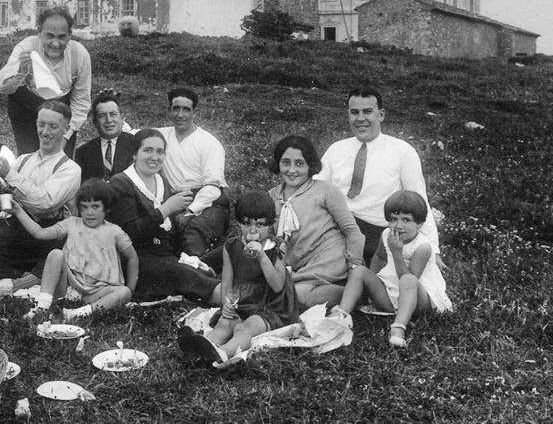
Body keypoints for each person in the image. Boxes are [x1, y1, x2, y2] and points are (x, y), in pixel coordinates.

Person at [318, 86, 439, 265]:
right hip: (339, 228)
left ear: (381, 115)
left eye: (367, 112)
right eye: (354, 112)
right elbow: (315, 190)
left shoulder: (402, 151)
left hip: (379, 234)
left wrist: (433, 250)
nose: (360, 119)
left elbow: (419, 200)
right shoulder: (336, 149)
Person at [179, 191, 298, 367]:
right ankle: (201, 348)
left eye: (260, 224)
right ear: (239, 222)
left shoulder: (276, 247)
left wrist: (262, 257)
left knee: (245, 328)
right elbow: (227, 282)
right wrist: (226, 305)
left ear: (271, 224)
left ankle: (222, 354)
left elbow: (278, 285)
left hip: (270, 305)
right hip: (242, 302)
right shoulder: (231, 246)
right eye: (247, 223)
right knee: (224, 324)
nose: (252, 230)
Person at [0, 100, 83, 294]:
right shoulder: (23, 160)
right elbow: (5, 198)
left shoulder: (70, 169)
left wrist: (8, 174)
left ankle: (21, 283)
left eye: (53, 126)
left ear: (66, 129)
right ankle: (18, 281)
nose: (45, 132)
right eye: (41, 124)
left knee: (55, 256)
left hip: (45, 236)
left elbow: (43, 203)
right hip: (16, 232)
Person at [107, 129, 219, 304]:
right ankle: (228, 301)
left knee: (212, 259)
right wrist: (165, 209)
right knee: (183, 273)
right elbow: (129, 232)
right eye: (148, 150)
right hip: (137, 260)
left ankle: (225, 290)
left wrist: (188, 256)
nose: (155, 157)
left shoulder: (162, 182)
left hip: (166, 256)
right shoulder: (121, 182)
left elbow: (173, 233)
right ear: (134, 154)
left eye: (160, 152)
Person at [333, 190, 452, 348]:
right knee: (359, 270)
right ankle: (342, 315)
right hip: (391, 293)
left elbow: (409, 280)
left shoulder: (422, 247)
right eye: (394, 219)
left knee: (408, 280)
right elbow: (379, 257)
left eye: (406, 220)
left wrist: (397, 253)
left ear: (419, 224)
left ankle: (398, 328)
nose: (399, 225)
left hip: (419, 298)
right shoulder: (386, 234)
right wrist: (372, 283)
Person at [17, 179, 138, 322]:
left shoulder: (114, 231)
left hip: (97, 293)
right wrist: (18, 211)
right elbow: (39, 233)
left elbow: (132, 258)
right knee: (56, 254)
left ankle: (79, 313)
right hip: (69, 289)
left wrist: (131, 289)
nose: (89, 212)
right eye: (84, 207)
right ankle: (42, 307)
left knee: (124, 292)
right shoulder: (71, 223)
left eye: (95, 207)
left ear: (106, 208)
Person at [267, 135, 365, 309]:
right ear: (278, 164)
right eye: (286, 163)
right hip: (297, 264)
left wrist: (354, 267)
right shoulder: (271, 196)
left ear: (310, 165)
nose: (292, 170)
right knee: (275, 293)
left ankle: (355, 291)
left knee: (295, 297)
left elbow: (352, 231)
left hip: (329, 259)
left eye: (299, 164)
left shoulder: (326, 190)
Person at [0, 6, 91, 156]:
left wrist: (66, 136)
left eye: (62, 37)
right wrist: (21, 71)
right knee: (29, 157)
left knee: (61, 159)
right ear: (39, 32)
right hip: (27, 106)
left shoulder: (79, 54)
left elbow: (81, 101)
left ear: (70, 35)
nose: (55, 44)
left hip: (61, 107)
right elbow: (2, 87)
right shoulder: (27, 47)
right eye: (50, 36)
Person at [158, 87, 230, 261]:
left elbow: (213, 187)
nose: (180, 115)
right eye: (176, 108)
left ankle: (196, 270)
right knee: (161, 232)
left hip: (209, 202)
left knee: (193, 233)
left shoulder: (209, 143)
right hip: (174, 199)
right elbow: (130, 134)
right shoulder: (161, 135)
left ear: (194, 112)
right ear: (169, 110)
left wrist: (190, 211)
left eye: (186, 109)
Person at [73, 88, 138, 182]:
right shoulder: (83, 152)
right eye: (102, 116)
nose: (109, 120)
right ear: (95, 122)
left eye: (113, 114)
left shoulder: (136, 145)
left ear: (122, 117)